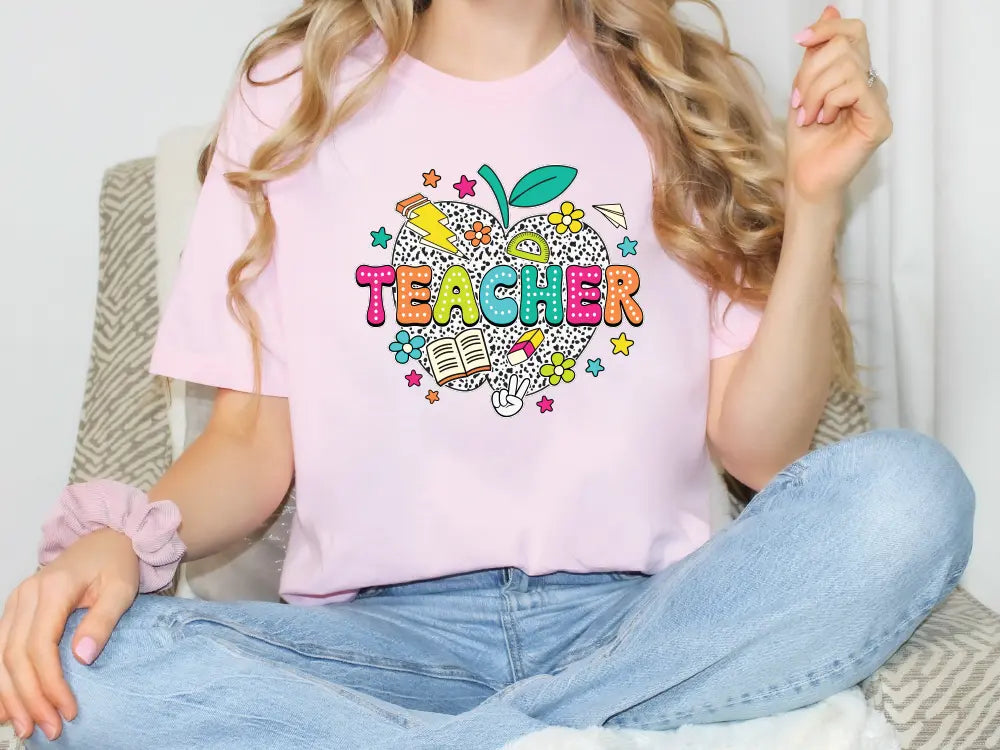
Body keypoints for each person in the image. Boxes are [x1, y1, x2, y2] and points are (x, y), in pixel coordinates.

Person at [1, 1, 974, 747]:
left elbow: (763, 453)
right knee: (86, 669)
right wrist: (130, 543)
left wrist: (813, 205)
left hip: (643, 619)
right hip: (382, 648)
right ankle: (569, 733)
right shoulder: (291, 93)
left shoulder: (685, 95)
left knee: (909, 493)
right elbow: (249, 446)